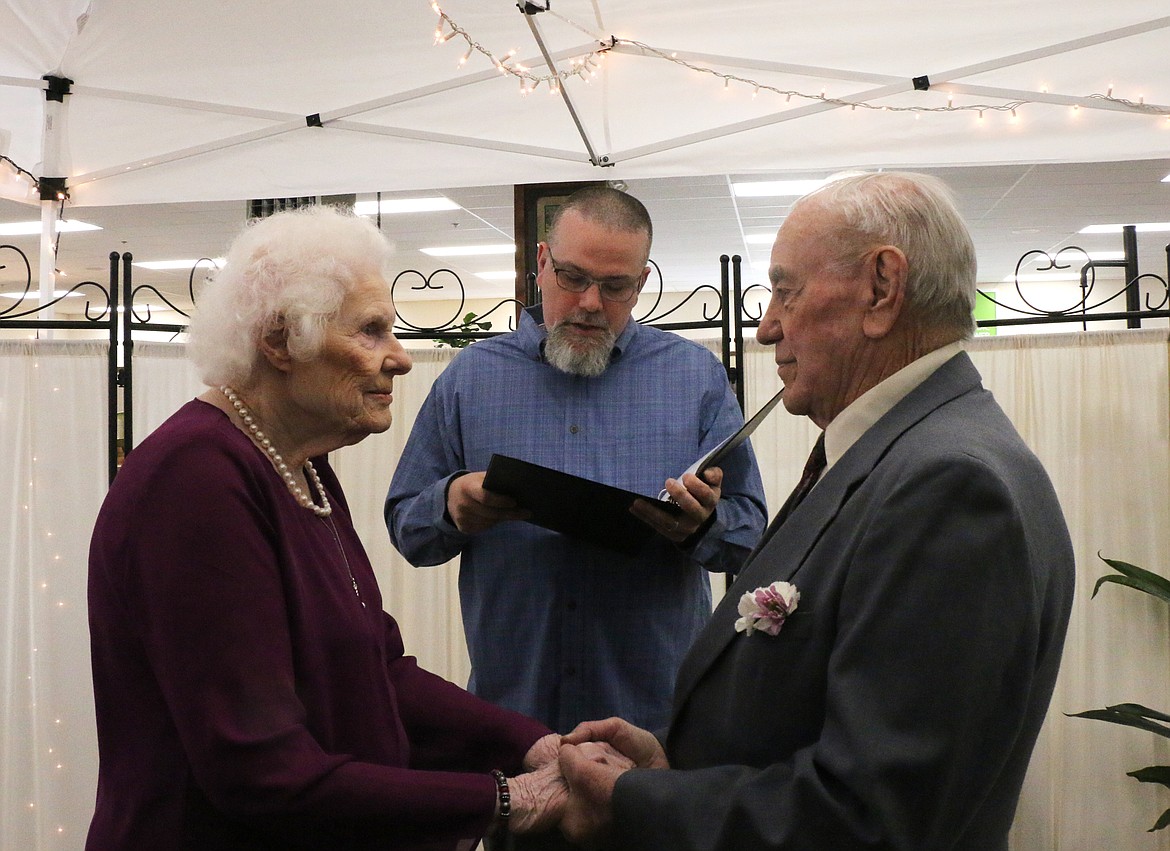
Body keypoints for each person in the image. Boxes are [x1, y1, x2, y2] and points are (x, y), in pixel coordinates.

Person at [556, 172, 1076, 850]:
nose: (768, 325)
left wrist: (636, 796)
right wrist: (673, 766)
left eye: (786, 289)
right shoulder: (908, 452)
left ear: (882, 289)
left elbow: (867, 816)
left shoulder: (947, 485)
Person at [85, 205, 571, 850]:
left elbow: (378, 670)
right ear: (281, 341)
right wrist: (510, 798)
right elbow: (263, 774)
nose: (399, 359)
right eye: (370, 332)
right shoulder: (196, 480)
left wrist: (535, 745)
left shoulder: (299, 465)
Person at [385, 185, 768, 734]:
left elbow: (750, 534)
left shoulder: (694, 380)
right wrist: (450, 506)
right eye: (573, 278)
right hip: (513, 718)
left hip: (654, 725)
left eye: (614, 287)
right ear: (542, 264)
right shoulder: (471, 380)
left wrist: (702, 525)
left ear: (640, 284)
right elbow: (407, 528)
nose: (590, 303)